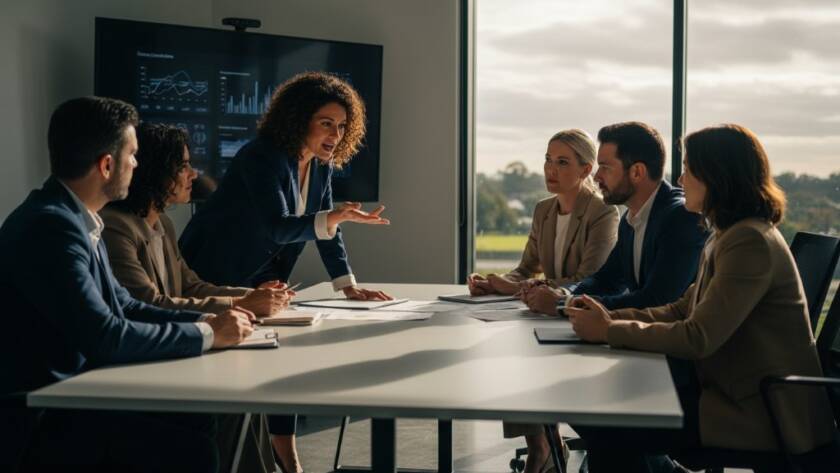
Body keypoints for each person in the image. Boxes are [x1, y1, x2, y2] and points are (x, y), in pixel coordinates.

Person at [0, 97, 254, 472]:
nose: (137, 164)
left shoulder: (76, 218)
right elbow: (104, 336)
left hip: (77, 395)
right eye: (132, 155)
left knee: (200, 419)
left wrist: (210, 322)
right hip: (41, 414)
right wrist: (207, 335)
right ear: (106, 165)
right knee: (194, 449)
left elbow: (126, 306)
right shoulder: (52, 227)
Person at [565, 124, 836, 472]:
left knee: (606, 420)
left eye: (689, 169)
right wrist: (609, 319)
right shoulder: (727, 236)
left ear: (717, 177)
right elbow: (682, 309)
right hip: (734, 393)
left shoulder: (748, 242)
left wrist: (607, 331)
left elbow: (698, 337)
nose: (679, 180)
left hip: (760, 411)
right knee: (604, 413)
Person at [179, 72, 391, 473]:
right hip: (216, 268)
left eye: (342, 126)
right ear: (298, 119)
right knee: (226, 371)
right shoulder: (262, 156)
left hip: (266, 274)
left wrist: (348, 285)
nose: (335, 133)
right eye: (326, 122)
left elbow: (327, 230)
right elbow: (278, 224)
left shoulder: (322, 167)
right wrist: (332, 217)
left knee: (279, 354)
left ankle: (285, 453)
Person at [101, 122, 292, 472]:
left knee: (247, 395)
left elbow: (191, 286)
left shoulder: (162, 224)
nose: (193, 173)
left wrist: (252, 295)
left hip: (175, 355)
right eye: (183, 165)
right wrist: (241, 305)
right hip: (145, 369)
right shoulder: (116, 227)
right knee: (237, 398)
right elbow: (148, 304)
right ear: (157, 170)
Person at [466, 129, 619, 473]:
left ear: (585, 169)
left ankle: (549, 447)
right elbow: (525, 269)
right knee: (512, 350)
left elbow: (589, 278)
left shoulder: (602, 214)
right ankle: (542, 447)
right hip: (542, 313)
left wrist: (523, 288)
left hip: (581, 315)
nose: (551, 169)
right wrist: (495, 284)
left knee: (527, 356)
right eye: (548, 160)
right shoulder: (543, 210)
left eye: (562, 162)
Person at [522, 121, 707, 315]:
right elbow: (605, 280)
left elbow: (656, 300)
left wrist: (563, 304)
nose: (596, 176)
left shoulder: (681, 218)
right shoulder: (630, 219)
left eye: (605, 167)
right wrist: (561, 292)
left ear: (637, 172)